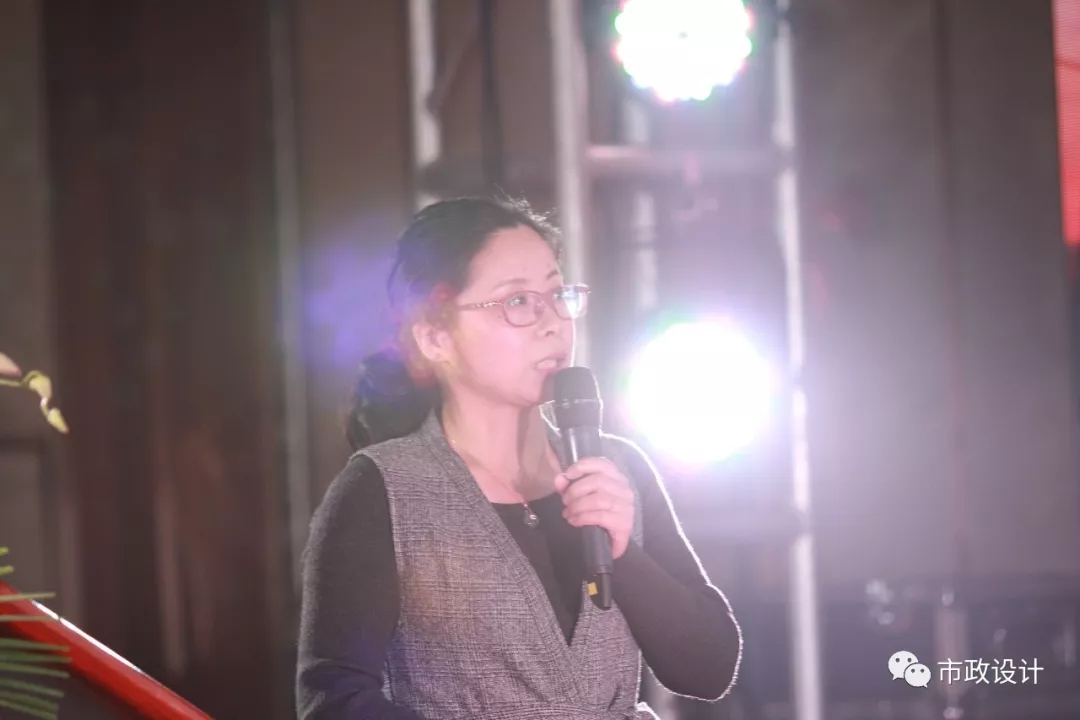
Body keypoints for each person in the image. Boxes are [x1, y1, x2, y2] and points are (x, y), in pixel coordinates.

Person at [296, 197, 742, 719]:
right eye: (518, 301)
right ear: (436, 336)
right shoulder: (384, 488)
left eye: (558, 295)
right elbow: (334, 701)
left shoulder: (618, 467)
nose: (553, 322)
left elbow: (709, 669)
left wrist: (623, 554)